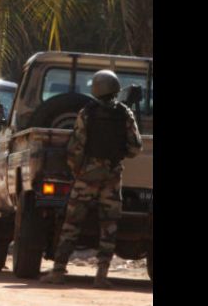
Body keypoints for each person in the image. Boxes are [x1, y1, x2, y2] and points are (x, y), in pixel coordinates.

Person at [40, 70, 143, 288]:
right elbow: (136, 147)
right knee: (109, 227)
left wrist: (78, 170)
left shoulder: (87, 113)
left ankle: (58, 271)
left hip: (87, 175)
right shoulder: (125, 114)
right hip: (112, 177)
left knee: (71, 224)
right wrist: (117, 155)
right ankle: (101, 276)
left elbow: (76, 147)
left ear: (96, 89)